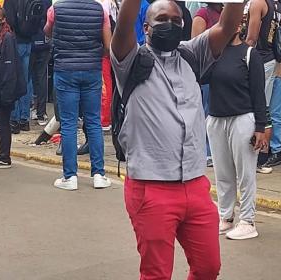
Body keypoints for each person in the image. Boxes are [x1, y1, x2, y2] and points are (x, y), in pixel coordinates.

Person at [111, 0, 245, 278]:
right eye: (162, 19)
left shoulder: (191, 54)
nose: (170, 25)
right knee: (157, 273)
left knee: (209, 267)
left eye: (176, 19)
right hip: (151, 187)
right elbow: (124, 23)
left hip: (195, 185)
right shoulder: (129, 59)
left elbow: (227, 25)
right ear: (146, 28)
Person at [207, 20, 266, 240]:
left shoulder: (250, 54)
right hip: (216, 119)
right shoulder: (213, 54)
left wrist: (261, 126)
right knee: (222, 173)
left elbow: (259, 93)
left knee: (245, 174)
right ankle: (226, 216)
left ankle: (248, 220)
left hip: (242, 119)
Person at [44, 0, 112, 191]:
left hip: (65, 70)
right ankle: (99, 174)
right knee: (93, 122)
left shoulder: (55, 9)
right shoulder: (100, 10)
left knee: (68, 123)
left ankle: (70, 176)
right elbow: (108, 44)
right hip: (91, 70)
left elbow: (47, 31)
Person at [246, 0, 281, 173]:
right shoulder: (276, 6)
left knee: (256, 107)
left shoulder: (258, 3)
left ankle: (259, 158)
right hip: (270, 57)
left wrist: (241, 57)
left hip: (258, 58)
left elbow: (251, 37)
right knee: (265, 106)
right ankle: (263, 157)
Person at [0, 7, 25, 168]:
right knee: (0, 123)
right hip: (0, 87)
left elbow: (9, 68)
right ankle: (2, 155)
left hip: (5, 89)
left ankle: (4, 157)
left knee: (3, 123)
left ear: (4, 19)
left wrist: (6, 93)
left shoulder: (7, 38)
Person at [4, 0, 42, 133]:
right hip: (28, 42)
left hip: (16, 41)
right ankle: (24, 120)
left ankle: (14, 119)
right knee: (26, 80)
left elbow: (10, 20)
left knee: (13, 79)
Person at [191, 3, 222, 167]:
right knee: (206, 112)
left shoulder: (222, 13)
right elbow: (195, 46)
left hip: (222, 72)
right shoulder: (202, 14)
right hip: (207, 74)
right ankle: (207, 152)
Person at [263, 13, 281, 167]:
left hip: (277, 69)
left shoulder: (280, 16)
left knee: (274, 113)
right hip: (278, 69)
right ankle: (272, 149)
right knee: (274, 113)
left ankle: (275, 150)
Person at [29, 0, 52, 126]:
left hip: (29, 40)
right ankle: (41, 112)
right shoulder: (47, 2)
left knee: (29, 77)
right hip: (44, 41)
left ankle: (31, 108)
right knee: (41, 76)